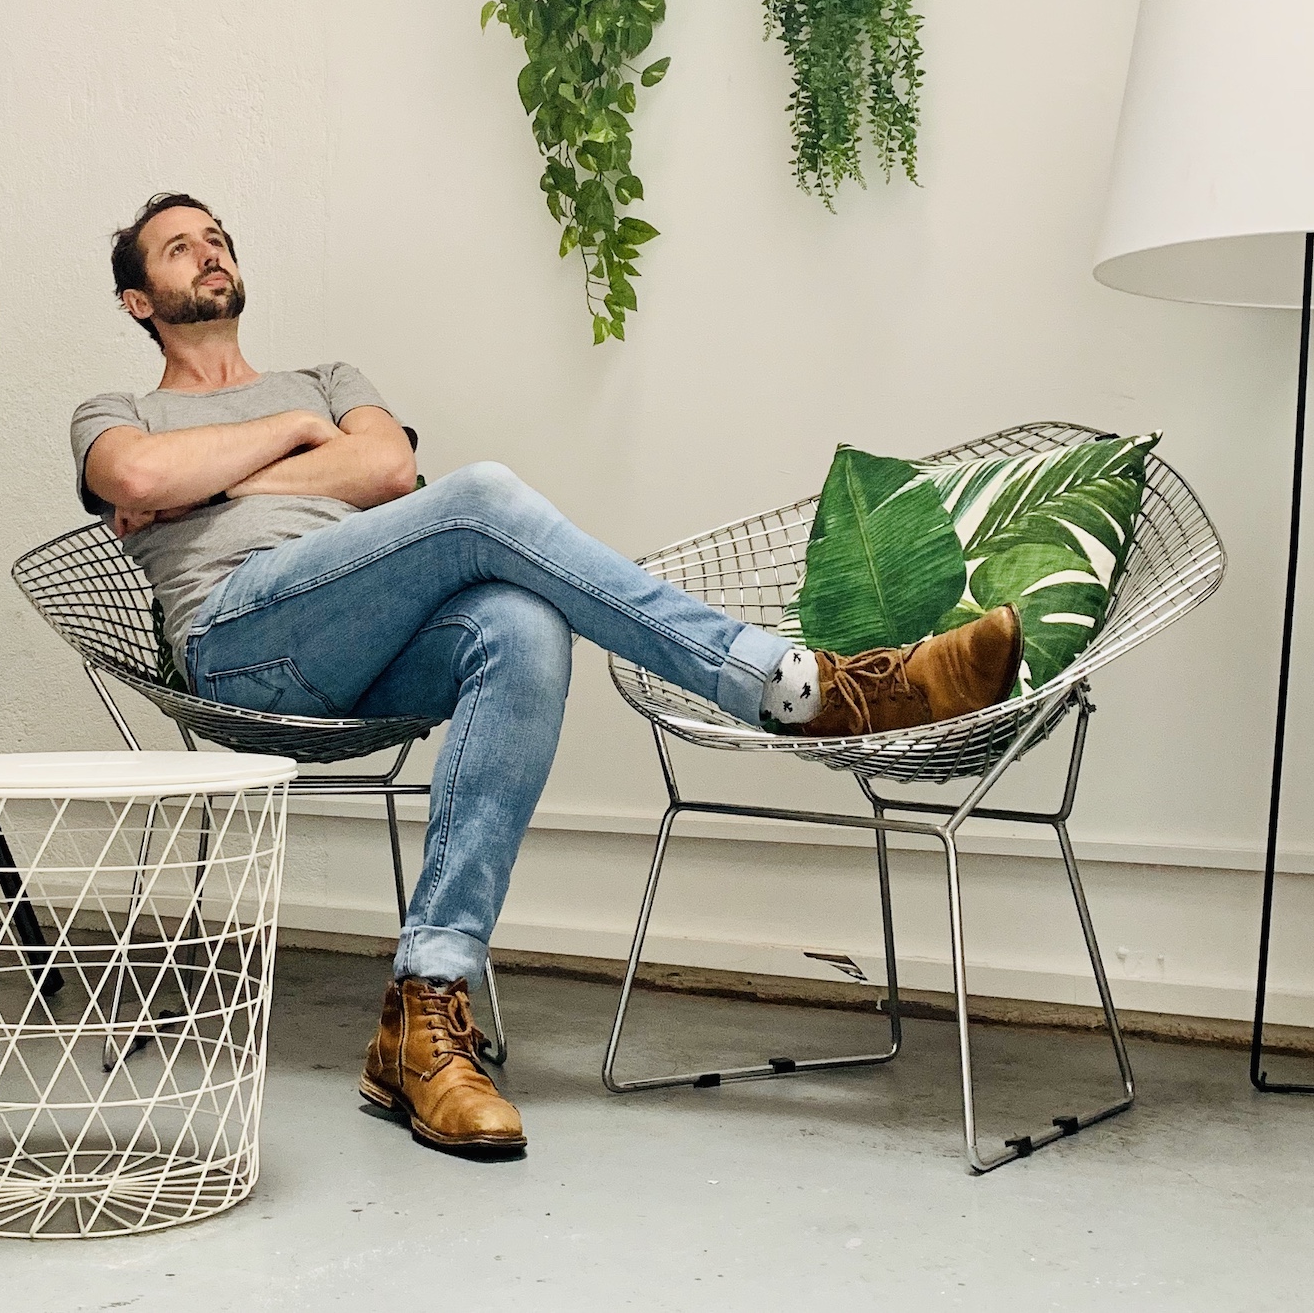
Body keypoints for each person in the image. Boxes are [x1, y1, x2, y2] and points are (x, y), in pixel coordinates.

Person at [71, 193, 1022, 1161]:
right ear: (139, 300)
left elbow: (391, 473)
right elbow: (139, 480)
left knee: (522, 622)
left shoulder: (322, 377)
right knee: (479, 495)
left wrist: (222, 478)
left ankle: (423, 1007)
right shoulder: (117, 412)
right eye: (178, 248)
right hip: (239, 644)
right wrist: (305, 445)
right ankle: (799, 687)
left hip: (360, 649)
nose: (208, 255)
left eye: (217, 238)